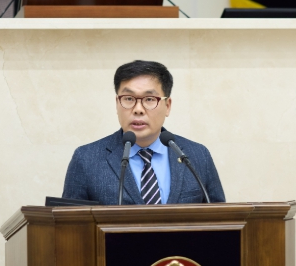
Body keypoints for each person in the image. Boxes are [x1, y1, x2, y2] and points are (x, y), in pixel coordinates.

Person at [62, 60, 226, 205]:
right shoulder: (86, 159)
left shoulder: (197, 156)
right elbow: (71, 225)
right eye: (128, 99)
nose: (138, 109)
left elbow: (220, 221)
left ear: (167, 106)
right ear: (117, 104)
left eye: (149, 99)